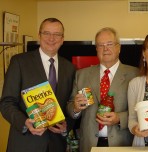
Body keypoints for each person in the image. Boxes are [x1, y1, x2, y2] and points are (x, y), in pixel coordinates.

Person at [0, 18, 75, 152]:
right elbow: (7, 103)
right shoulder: (19, 62)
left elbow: (70, 105)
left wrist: (66, 126)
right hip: (25, 144)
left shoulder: (70, 68)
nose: (51, 38)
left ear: (62, 39)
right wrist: (25, 123)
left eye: (57, 34)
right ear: (39, 35)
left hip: (56, 145)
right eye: (46, 33)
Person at [67, 27, 139, 152]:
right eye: (101, 45)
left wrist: (119, 118)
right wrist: (75, 108)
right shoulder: (81, 75)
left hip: (122, 143)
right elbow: (70, 107)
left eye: (110, 44)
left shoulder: (134, 74)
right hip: (89, 144)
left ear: (119, 47)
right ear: (96, 49)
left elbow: (139, 110)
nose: (105, 49)